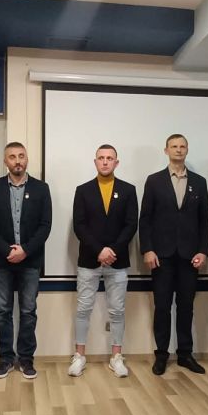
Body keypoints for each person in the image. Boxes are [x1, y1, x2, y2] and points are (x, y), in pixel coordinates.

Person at [139, 134, 208, 376]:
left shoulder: (199, 182)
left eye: (182, 146)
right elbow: (145, 219)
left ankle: (185, 354)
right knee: (162, 306)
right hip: (162, 255)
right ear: (166, 150)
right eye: (174, 146)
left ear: (187, 150)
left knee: (186, 306)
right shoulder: (154, 181)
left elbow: (204, 222)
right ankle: (161, 354)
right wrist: (147, 249)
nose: (178, 150)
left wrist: (203, 250)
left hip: (190, 256)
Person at [0, 142, 51, 380]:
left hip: (30, 261)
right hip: (2, 261)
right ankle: (6, 359)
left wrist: (25, 251)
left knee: (28, 311)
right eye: (12, 157)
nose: (17, 161)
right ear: (5, 161)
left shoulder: (41, 188)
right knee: (3, 312)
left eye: (21, 156)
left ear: (27, 159)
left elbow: (45, 226)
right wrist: (7, 250)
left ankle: (26, 359)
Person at [68, 144, 138, 378]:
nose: (105, 162)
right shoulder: (83, 190)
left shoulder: (128, 190)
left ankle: (116, 357)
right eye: (101, 158)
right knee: (83, 309)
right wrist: (99, 250)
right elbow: (79, 225)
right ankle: (79, 356)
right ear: (95, 161)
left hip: (118, 261)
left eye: (110, 158)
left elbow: (131, 225)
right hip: (89, 260)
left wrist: (112, 250)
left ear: (116, 162)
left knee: (117, 310)